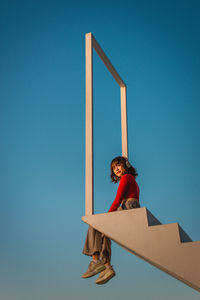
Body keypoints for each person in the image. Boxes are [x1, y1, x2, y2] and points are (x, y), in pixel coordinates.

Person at [82, 156, 140, 285]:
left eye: (118, 165)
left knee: (96, 224)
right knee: (105, 232)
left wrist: (107, 217)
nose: (116, 169)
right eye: (113, 168)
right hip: (128, 207)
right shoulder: (131, 180)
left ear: (125, 165)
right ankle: (107, 266)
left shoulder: (126, 178)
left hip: (127, 207)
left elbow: (117, 200)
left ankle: (96, 261)